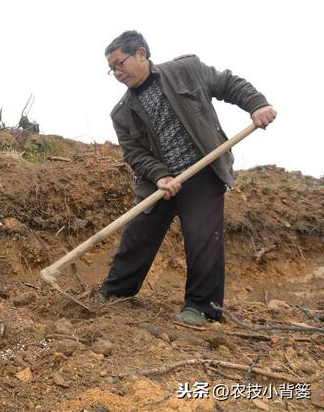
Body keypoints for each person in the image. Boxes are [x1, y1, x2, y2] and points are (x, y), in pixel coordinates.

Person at [98, 31, 276, 326]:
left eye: (119, 64)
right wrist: (160, 176)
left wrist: (256, 104)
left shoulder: (186, 70)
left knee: (203, 239)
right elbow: (135, 154)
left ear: (141, 53)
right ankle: (115, 293)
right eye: (111, 69)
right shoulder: (122, 113)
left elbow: (227, 83)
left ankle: (201, 308)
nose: (116, 73)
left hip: (203, 172)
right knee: (137, 236)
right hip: (160, 183)